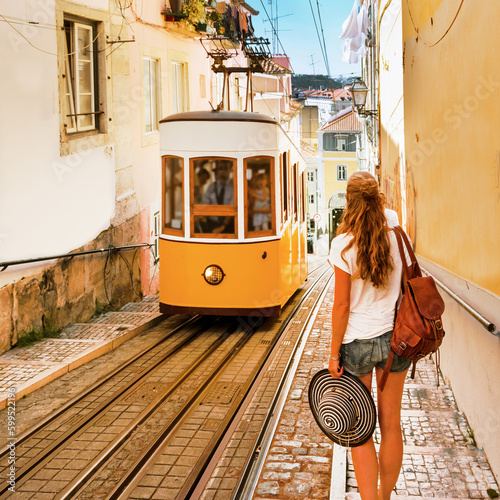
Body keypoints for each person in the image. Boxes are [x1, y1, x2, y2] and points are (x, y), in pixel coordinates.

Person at [327, 171, 411, 500]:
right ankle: (386, 495)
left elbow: (342, 306)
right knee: (391, 423)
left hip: (357, 344)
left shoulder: (342, 244)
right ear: (379, 198)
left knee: (360, 432)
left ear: (348, 202)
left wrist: (334, 354)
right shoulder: (395, 230)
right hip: (396, 339)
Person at [202, 160, 234, 233]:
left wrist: (223, 226)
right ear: (217, 171)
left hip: (228, 226)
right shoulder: (211, 187)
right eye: (221, 168)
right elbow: (204, 204)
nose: (223, 171)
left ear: (230, 170)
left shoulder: (234, 187)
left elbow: (234, 208)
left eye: (226, 168)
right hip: (212, 225)